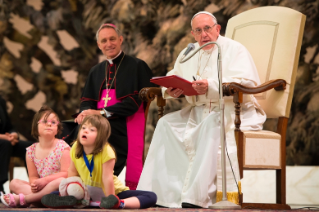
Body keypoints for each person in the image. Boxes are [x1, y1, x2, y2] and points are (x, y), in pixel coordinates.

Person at [137, 11, 267, 208]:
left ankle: (196, 198)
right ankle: (162, 195)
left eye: (207, 28)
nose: (204, 34)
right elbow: (174, 75)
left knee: (211, 124)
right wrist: (171, 90)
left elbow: (247, 83)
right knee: (165, 123)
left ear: (217, 29)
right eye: (198, 30)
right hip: (198, 111)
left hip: (230, 111)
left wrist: (212, 86)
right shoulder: (188, 52)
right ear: (192, 34)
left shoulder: (234, 49)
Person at [73, 23, 155, 190]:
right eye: (104, 41)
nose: (108, 44)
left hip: (122, 121)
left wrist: (102, 113)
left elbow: (133, 103)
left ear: (120, 40)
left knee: (101, 132)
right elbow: (87, 100)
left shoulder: (136, 66)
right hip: (96, 121)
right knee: (72, 129)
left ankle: (98, 183)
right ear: (99, 45)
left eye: (112, 39)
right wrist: (83, 113)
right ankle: (77, 181)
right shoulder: (95, 71)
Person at [41, 114, 157, 209]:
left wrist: (111, 198)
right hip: (87, 192)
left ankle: (120, 203)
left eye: (91, 130)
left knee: (151, 196)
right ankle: (76, 200)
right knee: (52, 196)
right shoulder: (76, 146)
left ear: (101, 136)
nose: (85, 131)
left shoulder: (107, 151)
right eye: (84, 128)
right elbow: (72, 172)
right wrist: (67, 190)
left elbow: (107, 178)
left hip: (111, 192)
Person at [0, 106, 71, 207]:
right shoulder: (31, 151)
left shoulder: (63, 148)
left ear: (57, 130)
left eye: (54, 122)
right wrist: (35, 184)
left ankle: (27, 199)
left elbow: (66, 174)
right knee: (14, 183)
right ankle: (42, 199)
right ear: (35, 128)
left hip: (57, 188)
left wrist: (45, 181)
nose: (49, 124)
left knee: (60, 181)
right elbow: (33, 176)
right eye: (45, 121)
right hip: (41, 188)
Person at [0, 95, 34, 194]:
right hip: (3, 142)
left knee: (30, 147)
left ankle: (35, 184)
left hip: (6, 141)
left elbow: (9, 126)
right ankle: (0, 187)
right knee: (5, 144)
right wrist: (3, 137)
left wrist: (13, 135)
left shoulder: (1, 100)